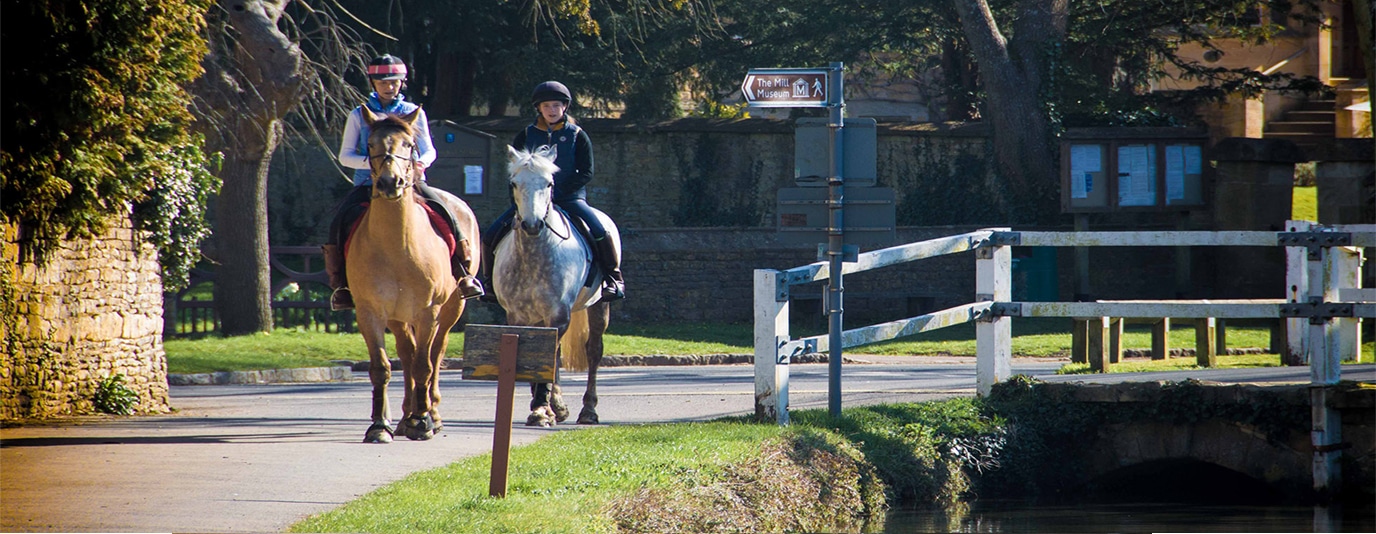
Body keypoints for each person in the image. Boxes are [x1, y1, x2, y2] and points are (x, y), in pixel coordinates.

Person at [321, 54, 483, 311]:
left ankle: (463, 274)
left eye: (394, 81)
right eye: (383, 81)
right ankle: (341, 284)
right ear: (373, 83)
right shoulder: (358, 115)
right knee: (339, 221)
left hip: (411, 181)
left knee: (445, 213)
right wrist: (378, 165)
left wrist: (419, 164)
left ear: (402, 83)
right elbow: (345, 156)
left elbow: (429, 150)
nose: (389, 86)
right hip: (369, 183)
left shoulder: (413, 113)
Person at [482, 80, 625, 301]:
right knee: (491, 234)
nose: (552, 110)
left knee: (599, 230)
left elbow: (587, 172)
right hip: (531, 201)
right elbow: (515, 173)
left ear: (565, 107)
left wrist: (556, 194)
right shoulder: (526, 135)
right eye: (547, 106)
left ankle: (613, 279)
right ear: (539, 108)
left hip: (569, 198)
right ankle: (488, 283)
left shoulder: (578, 135)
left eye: (556, 106)